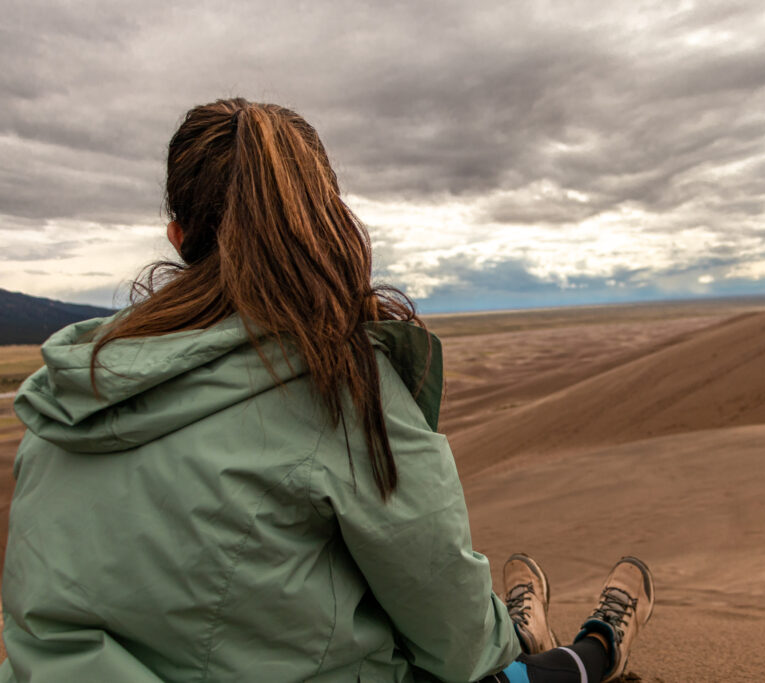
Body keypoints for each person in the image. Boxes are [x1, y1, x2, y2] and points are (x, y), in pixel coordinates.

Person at [0, 98, 654, 683]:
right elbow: (456, 645)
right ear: (322, 221)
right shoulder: (337, 382)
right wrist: (493, 644)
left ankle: (528, 629)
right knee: (495, 672)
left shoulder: (67, 390)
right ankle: (598, 643)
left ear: (177, 237)